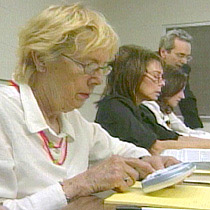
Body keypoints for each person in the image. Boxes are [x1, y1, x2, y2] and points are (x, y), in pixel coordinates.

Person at [0, 3, 179, 210]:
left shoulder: (70, 118)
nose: (97, 80)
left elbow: (119, 149)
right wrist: (77, 187)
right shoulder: (5, 112)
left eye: (102, 68)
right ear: (41, 60)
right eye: (88, 65)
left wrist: (150, 162)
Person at [95, 45, 210, 156]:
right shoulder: (114, 108)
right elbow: (155, 147)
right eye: (156, 76)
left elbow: (174, 137)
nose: (162, 83)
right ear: (133, 75)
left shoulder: (141, 109)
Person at [142, 67, 210, 138]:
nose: (182, 96)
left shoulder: (165, 109)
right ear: (169, 88)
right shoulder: (150, 107)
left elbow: (186, 131)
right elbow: (167, 137)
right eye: (180, 91)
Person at [159, 29, 203, 129]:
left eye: (187, 57)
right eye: (180, 55)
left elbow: (187, 98)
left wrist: (196, 128)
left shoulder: (183, 69)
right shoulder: (148, 66)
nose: (184, 61)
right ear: (163, 52)